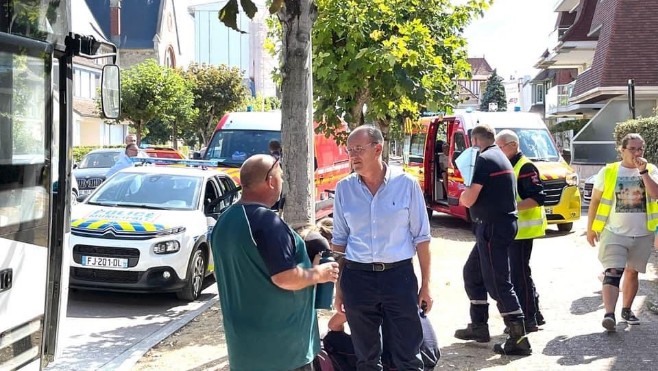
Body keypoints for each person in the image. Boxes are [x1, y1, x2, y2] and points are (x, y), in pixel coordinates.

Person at [210, 154, 339, 370]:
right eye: (280, 176)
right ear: (270, 181)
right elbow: (285, 277)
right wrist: (320, 273)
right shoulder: (266, 221)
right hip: (284, 351)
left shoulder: (224, 221)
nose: (281, 182)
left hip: (244, 349)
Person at [332, 125, 432, 370]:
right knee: (366, 358)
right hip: (358, 278)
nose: (353, 156)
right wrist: (339, 288)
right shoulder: (344, 188)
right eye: (349, 150)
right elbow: (339, 242)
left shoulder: (406, 184)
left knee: (407, 354)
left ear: (378, 148)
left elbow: (422, 237)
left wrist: (426, 285)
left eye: (358, 149)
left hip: (398, 277)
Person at [454, 124, 531, 356]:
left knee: (498, 282)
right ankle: (479, 326)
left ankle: (519, 338)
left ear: (475, 141)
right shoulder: (499, 157)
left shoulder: (484, 160)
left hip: (493, 227)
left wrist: (462, 195)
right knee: (473, 273)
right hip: (498, 225)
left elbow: (469, 199)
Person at [586, 133, 658, 332]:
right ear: (622, 150)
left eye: (640, 149)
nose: (637, 153)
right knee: (613, 272)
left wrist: (643, 173)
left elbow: (656, 194)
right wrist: (591, 228)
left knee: (632, 272)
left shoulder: (651, 170)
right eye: (632, 149)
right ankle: (609, 314)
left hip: (643, 233)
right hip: (614, 232)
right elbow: (595, 201)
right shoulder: (609, 171)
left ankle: (626, 309)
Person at [495, 129, 547, 332]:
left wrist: (510, 208)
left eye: (500, 147)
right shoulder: (511, 164)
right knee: (520, 273)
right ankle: (534, 314)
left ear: (513, 145)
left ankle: (528, 319)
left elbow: (537, 198)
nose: (498, 151)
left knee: (519, 275)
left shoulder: (525, 167)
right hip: (514, 230)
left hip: (523, 231)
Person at [322, 310, 440, 371]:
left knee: (331, 341)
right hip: (429, 357)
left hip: (404, 362)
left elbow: (333, 325)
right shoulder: (405, 290)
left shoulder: (371, 292)